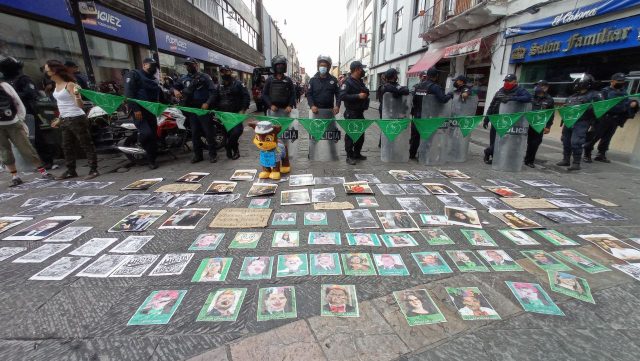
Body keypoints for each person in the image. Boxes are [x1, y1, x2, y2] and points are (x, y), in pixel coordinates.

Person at [45, 60, 99, 180]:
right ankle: (71, 170)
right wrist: (59, 119)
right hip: (65, 119)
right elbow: (61, 105)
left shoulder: (70, 85)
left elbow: (79, 106)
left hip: (77, 118)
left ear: (54, 71)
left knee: (85, 144)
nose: (46, 73)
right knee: (66, 146)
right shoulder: (56, 86)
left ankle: (93, 169)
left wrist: (77, 95)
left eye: (48, 71)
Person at [0, 56, 55, 168]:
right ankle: (27, 164)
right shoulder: (4, 82)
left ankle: (46, 160)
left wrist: (13, 97)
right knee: (19, 141)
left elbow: (32, 94)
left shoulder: (23, 79)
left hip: (28, 112)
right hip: (10, 116)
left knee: (35, 136)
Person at [0, 79, 53, 186]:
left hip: (13, 123)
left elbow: (17, 101)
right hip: (10, 123)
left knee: (26, 148)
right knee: (5, 152)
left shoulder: (4, 85)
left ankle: (43, 172)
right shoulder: (4, 85)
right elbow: (17, 101)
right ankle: (15, 176)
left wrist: (21, 119)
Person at [584, 73, 639, 163]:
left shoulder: (623, 92)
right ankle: (587, 153)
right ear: (612, 81)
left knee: (607, 137)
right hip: (603, 118)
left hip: (615, 119)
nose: (621, 83)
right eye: (619, 81)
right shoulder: (605, 91)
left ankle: (601, 154)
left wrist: (633, 103)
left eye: (622, 81)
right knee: (595, 136)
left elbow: (626, 102)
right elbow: (600, 104)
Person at [174, 58, 217, 163]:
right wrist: (175, 90)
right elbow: (174, 86)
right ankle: (198, 155)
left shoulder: (205, 77)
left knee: (208, 132)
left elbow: (213, 92)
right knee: (195, 133)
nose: (189, 66)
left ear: (196, 65)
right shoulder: (183, 78)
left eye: (191, 64)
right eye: (187, 65)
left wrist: (207, 103)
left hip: (203, 109)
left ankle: (213, 155)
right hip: (192, 110)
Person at [483, 74, 532, 164]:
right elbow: (492, 105)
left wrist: (511, 98)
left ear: (515, 82)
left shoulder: (520, 90)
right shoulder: (500, 91)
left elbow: (528, 98)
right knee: (494, 140)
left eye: (508, 81)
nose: (506, 83)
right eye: (505, 81)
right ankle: (495, 159)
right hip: (496, 119)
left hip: (508, 121)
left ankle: (488, 151)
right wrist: (487, 118)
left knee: (503, 140)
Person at [556, 74, 601, 171]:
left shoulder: (595, 95)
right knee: (565, 140)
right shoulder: (573, 96)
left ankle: (576, 163)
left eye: (579, 83)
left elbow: (600, 108)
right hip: (569, 121)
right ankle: (566, 159)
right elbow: (567, 106)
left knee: (576, 142)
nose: (577, 85)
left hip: (582, 121)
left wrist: (587, 108)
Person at [124, 57, 162, 169]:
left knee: (154, 136)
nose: (154, 68)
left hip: (151, 110)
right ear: (144, 65)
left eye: (155, 66)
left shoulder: (153, 79)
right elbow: (129, 93)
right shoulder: (134, 74)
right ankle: (140, 144)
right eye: (152, 65)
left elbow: (159, 94)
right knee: (147, 133)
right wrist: (135, 109)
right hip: (139, 111)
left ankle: (152, 160)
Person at [409, 68, 453, 159]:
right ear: (436, 77)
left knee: (415, 137)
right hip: (428, 117)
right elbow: (443, 99)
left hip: (416, 116)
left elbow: (412, 100)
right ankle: (423, 155)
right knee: (428, 136)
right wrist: (450, 95)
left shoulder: (417, 86)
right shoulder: (435, 87)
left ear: (427, 75)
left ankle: (412, 154)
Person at [212, 65, 250, 160]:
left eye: (226, 71)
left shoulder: (238, 84)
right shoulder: (219, 86)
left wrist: (243, 109)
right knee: (227, 134)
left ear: (230, 71)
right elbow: (214, 98)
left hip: (236, 114)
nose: (224, 73)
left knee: (236, 132)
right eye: (222, 72)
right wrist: (211, 107)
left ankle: (228, 146)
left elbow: (246, 97)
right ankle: (235, 151)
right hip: (223, 115)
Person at [340, 61, 370, 165]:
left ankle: (357, 153)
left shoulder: (360, 81)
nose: (363, 71)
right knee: (350, 135)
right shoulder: (347, 82)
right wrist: (358, 96)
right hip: (351, 113)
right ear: (357, 69)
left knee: (360, 134)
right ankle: (349, 156)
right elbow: (342, 96)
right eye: (361, 69)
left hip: (359, 112)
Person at [524, 80, 555, 168]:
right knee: (521, 141)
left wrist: (548, 126)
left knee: (534, 143)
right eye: (536, 86)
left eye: (539, 86)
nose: (536, 88)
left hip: (538, 124)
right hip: (526, 123)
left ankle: (529, 160)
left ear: (545, 88)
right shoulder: (530, 97)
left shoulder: (549, 100)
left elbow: (551, 114)